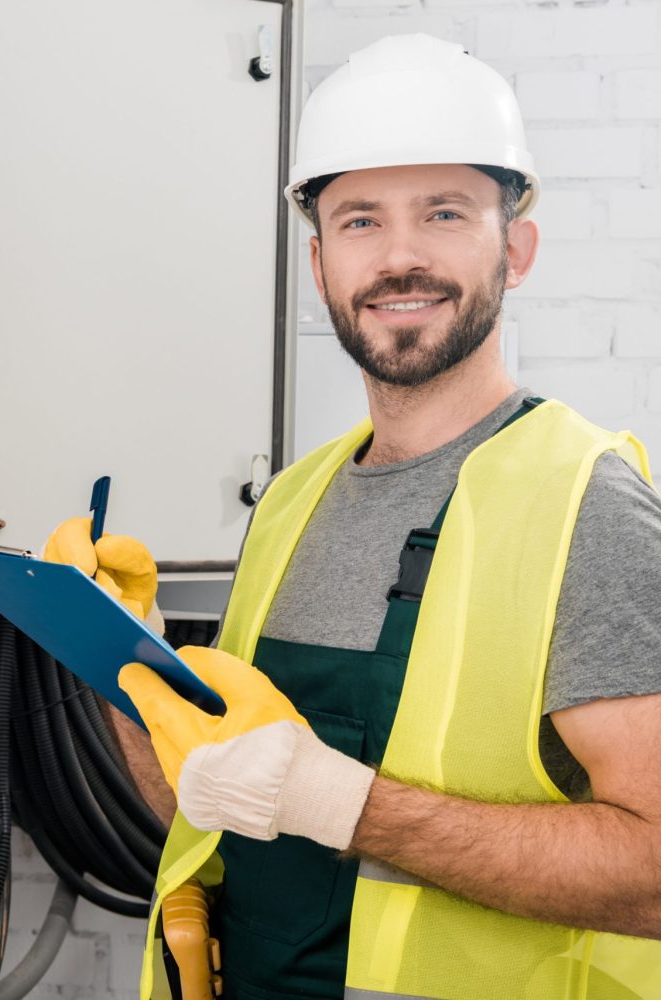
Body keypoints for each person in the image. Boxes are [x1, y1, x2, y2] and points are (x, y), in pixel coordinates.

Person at [46, 33, 661, 1000]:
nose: (401, 257)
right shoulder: (294, 502)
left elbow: (655, 873)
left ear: (519, 247)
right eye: (362, 220)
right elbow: (208, 814)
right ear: (320, 259)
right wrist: (124, 656)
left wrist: (347, 805)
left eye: (445, 213)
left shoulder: (587, 505)